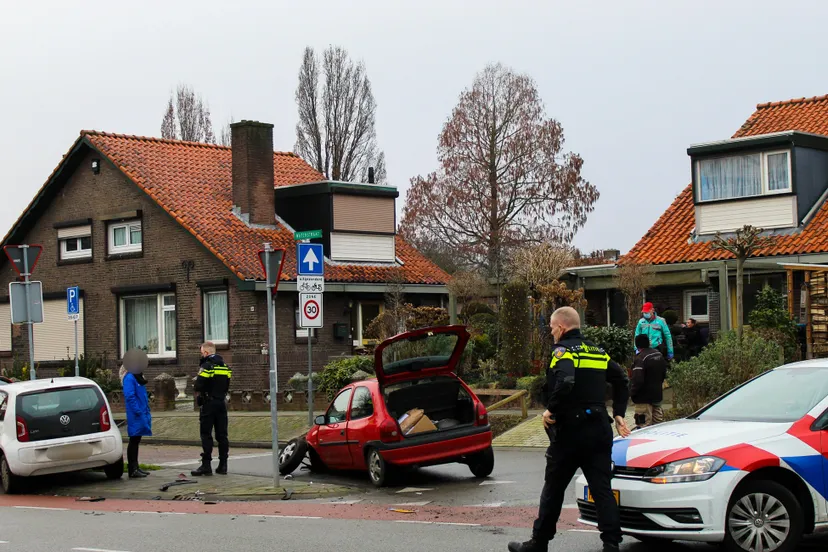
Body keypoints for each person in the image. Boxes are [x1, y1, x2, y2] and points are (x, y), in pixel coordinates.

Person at [508, 307, 631, 552]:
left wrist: (550, 410)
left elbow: (565, 380)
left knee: (553, 489)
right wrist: (618, 413)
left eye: (552, 327)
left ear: (561, 327)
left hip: (570, 430)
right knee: (602, 489)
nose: (551, 332)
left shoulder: (562, 351)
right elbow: (621, 379)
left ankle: (538, 543)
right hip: (599, 428)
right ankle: (611, 544)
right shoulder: (597, 351)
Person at [191, 341, 231, 476]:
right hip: (221, 403)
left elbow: (198, 385)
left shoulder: (207, 366)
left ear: (206, 353)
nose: (201, 355)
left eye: (202, 352)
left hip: (208, 404)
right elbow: (226, 385)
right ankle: (223, 465)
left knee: (206, 435)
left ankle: (206, 465)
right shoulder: (225, 367)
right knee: (222, 435)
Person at [120, 348, 152, 478]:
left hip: (140, 413)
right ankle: (132, 468)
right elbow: (129, 396)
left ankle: (136, 467)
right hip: (136, 415)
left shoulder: (137, 377)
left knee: (137, 439)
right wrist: (138, 410)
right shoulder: (129, 378)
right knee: (134, 440)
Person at [631, 334, 667, 429]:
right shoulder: (658, 355)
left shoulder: (640, 358)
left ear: (637, 344)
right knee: (658, 424)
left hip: (643, 397)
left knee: (643, 426)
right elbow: (664, 373)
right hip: (657, 395)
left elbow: (637, 380)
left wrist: (633, 393)